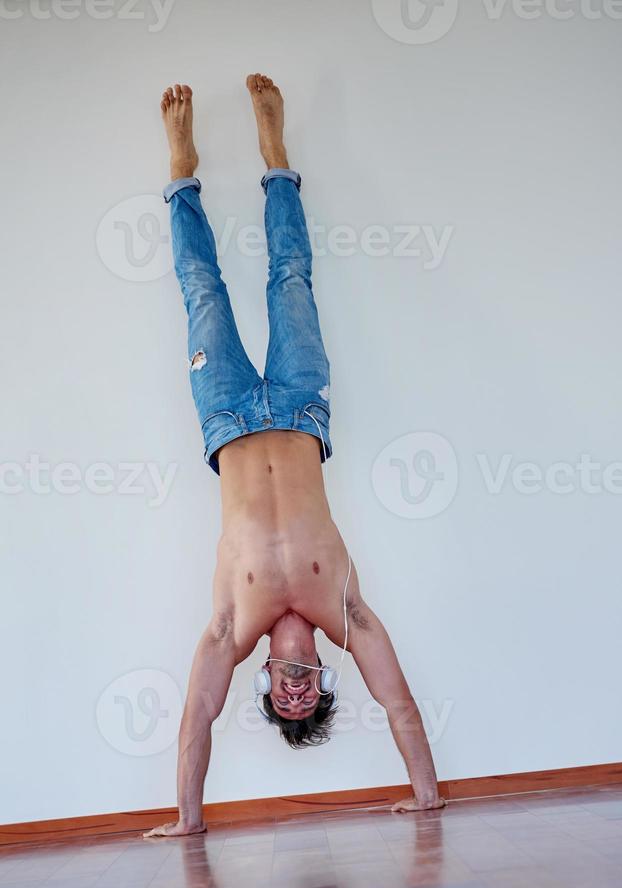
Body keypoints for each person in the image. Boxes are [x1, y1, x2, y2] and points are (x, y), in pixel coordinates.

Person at [145, 75, 445, 839]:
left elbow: (195, 722)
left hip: (228, 418)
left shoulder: (228, 630)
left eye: (286, 701)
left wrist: (188, 820)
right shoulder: (347, 614)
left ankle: (181, 171)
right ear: (319, 676)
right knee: (291, 278)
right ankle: (277, 156)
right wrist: (428, 798)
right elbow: (401, 703)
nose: (297, 694)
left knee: (200, 289)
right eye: (310, 699)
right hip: (302, 404)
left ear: (272, 685)